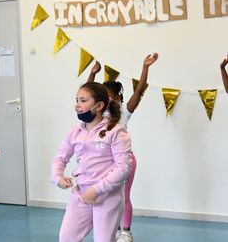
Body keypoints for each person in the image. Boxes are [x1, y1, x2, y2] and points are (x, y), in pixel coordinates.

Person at [87, 53, 158, 242]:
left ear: (118, 97)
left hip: (125, 162)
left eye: (111, 97)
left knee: (124, 196)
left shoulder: (124, 112)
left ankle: (126, 231)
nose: (108, 101)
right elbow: (87, 95)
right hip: (105, 162)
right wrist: (93, 74)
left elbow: (140, 89)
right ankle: (114, 230)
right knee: (110, 199)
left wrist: (145, 67)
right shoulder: (98, 115)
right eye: (104, 98)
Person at [51, 82, 132, 242]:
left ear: (99, 106)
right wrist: (57, 177)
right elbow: (60, 157)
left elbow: (123, 167)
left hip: (107, 197)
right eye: (76, 100)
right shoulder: (74, 132)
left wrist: (97, 190)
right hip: (80, 194)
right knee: (66, 238)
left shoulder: (115, 131)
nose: (77, 106)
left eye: (83, 101)